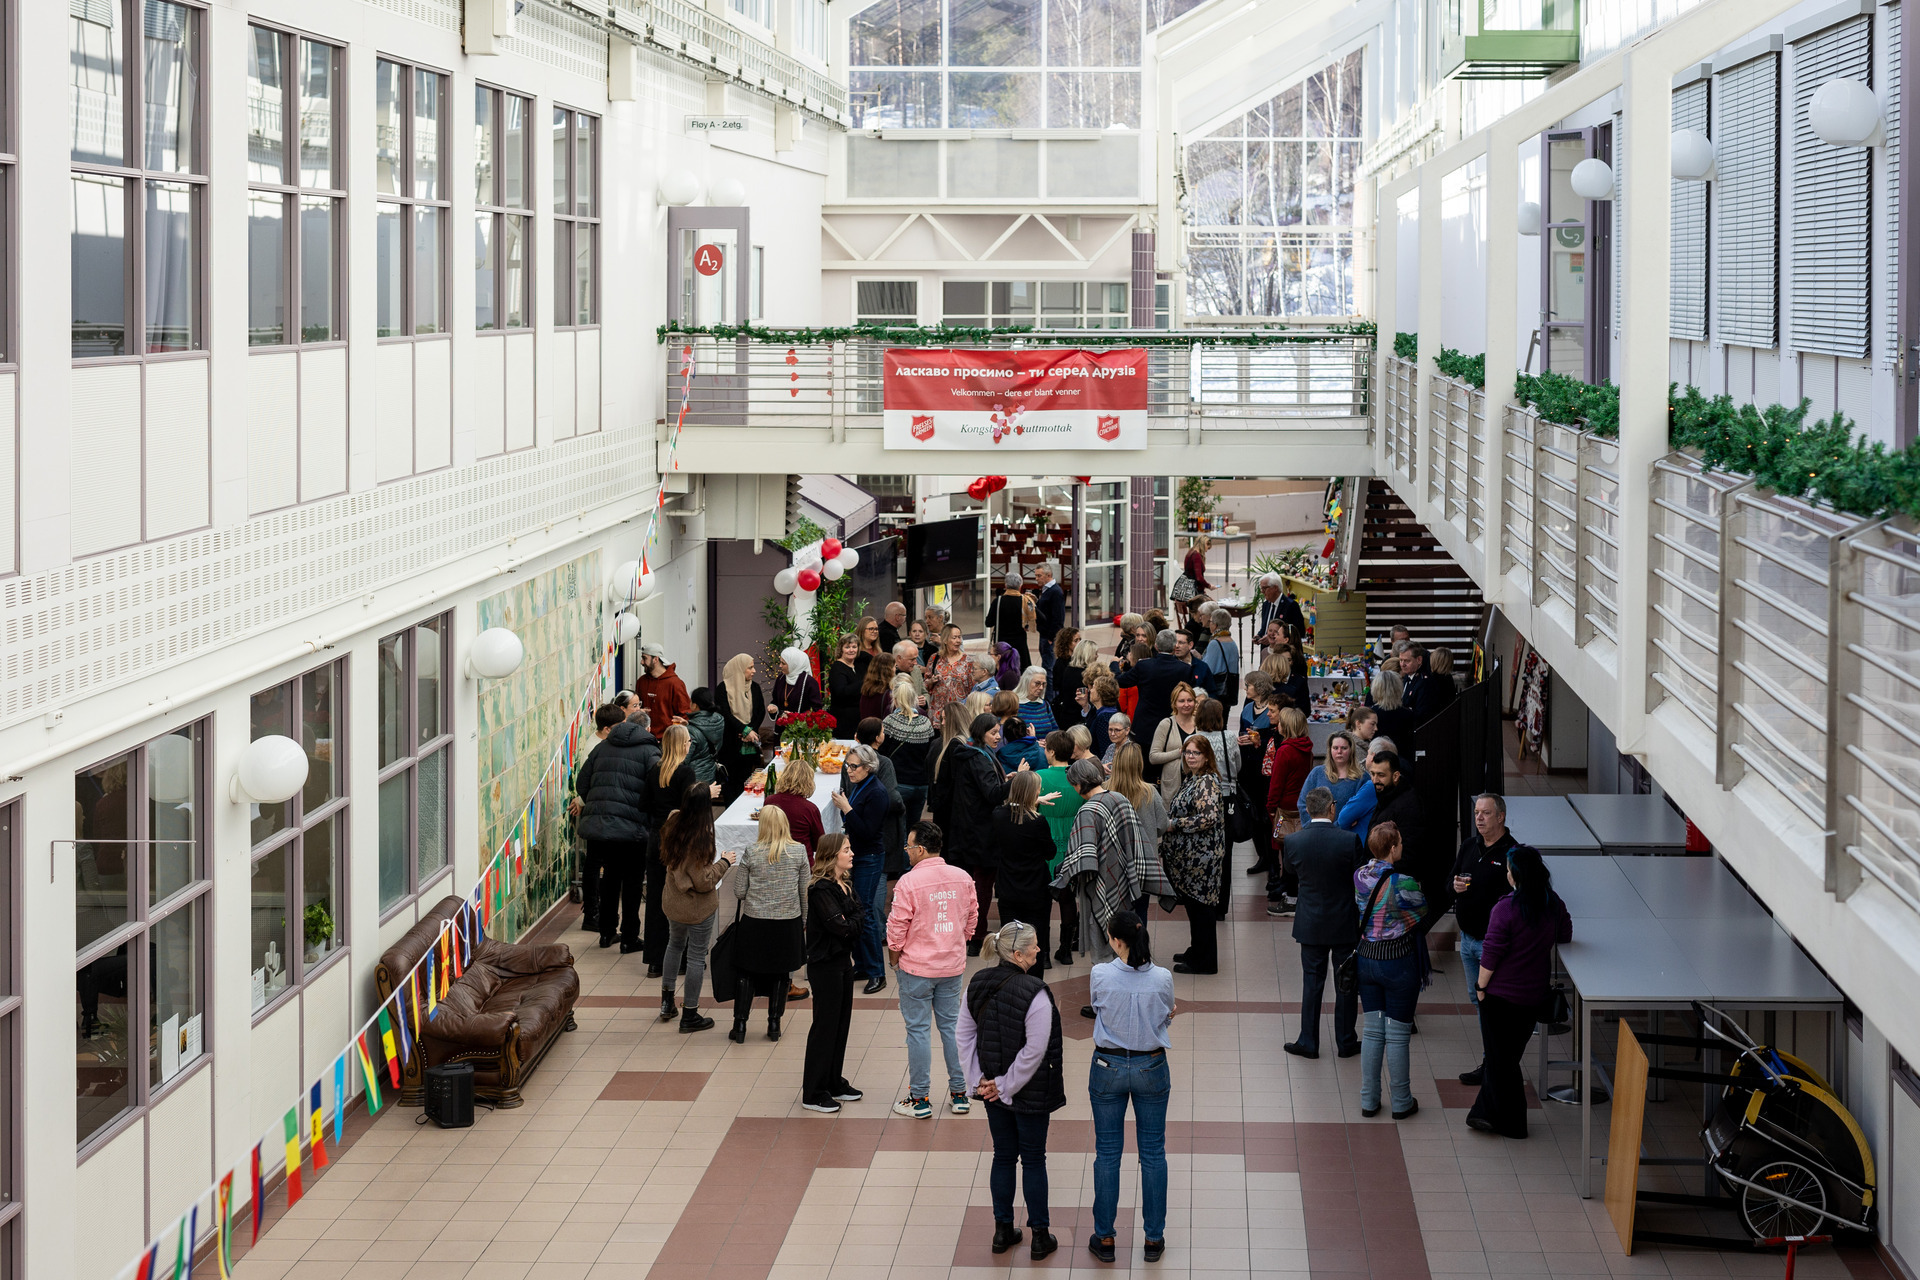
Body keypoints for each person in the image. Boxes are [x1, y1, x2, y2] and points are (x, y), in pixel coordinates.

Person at [959, 920, 1064, 1262]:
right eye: (1033, 946)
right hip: (1028, 1092)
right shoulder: (1036, 992)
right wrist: (1005, 1086)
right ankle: (1040, 1236)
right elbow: (1035, 1050)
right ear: (1018, 954)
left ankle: (1002, 1230)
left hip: (991, 1091)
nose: (1038, 949)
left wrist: (980, 1082)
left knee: (1003, 1155)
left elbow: (964, 1035)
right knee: (1033, 1158)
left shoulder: (975, 983)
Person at [1086, 910, 1175, 1265]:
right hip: (1151, 1065)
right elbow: (1167, 1011)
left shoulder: (1100, 974)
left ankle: (1105, 1237)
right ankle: (1153, 1239)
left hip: (1107, 1066)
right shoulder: (1163, 977)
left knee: (1107, 1154)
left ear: (1117, 941)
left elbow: (1097, 1007)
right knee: (1153, 1154)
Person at [1467, 845, 1572, 1138]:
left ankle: (1513, 1125)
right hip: (1532, 997)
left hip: (1500, 997)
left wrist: (1480, 987)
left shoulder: (1505, 908)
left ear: (1516, 874)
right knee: (1505, 1058)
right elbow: (1565, 933)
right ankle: (1483, 1114)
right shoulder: (1553, 904)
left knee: (1503, 1062)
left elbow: (1491, 953)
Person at [888, 821, 979, 1119]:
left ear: (921, 849)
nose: (907, 852)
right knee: (951, 1029)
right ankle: (959, 1094)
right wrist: (958, 942)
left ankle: (920, 1099)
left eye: (909, 847)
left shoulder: (908, 883)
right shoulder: (963, 877)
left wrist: (894, 957)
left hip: (916, 968)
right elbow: (972, 917)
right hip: (951, 968)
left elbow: (897, 925)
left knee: (918, 1032)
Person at [1054, 757, 1172, 967]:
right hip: (1127, 878)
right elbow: (1136, 840)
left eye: (1073, 785)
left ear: (1079, 784)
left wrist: (1064, 875)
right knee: (1128, 932)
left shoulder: (1088, 811)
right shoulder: (1120, 799)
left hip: (1101, 882)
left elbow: (1085, 858)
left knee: (1104, 936)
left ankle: (1110, 986)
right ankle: (1132, 971)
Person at [1281, 787, 1366, 1059]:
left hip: (1311, 923)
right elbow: (1359, 878)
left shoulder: (1294, 842)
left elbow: (1290, 875)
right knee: (1346, 983)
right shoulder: (1349, 840)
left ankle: (1308, 1041)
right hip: (1343, 922)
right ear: (1332, 809)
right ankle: (1346, 1041)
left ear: (1307, 809)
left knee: (1312, 982)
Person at [1354, 821, 1427, 1119]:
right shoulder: (1403, 881)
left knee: (1372, 1032)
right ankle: (1401, 1101)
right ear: (1393, 848)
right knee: (1397, 1035)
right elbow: (1421, 909)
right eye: (1399, 843)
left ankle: (1369, 1100)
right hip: (1398, 962)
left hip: (1366, 960)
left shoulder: (1359, 876)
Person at [574, 704, 660, 952]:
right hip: (633, 829)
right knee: (632, 883)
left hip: (601, 827)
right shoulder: (649, 751)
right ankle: (629, 937)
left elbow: (582, 783)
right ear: (646, 728)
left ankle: (606, 933)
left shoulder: (602, 747)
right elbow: (656, 786)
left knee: (609, 879)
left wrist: (599, 804)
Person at [722, 805, 810, 1044]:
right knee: (782, 973)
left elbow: (739, 891)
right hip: (787, 921)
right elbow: (805, 893)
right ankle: (774, 1024)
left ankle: (739, 1025)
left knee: (746, 972)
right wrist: (803, 921)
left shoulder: (751, 851)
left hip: (755, 922)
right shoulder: (799, 852)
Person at [658, 781, 737, 1032]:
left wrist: (702, 792)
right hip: (696, 909)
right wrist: (724, 862)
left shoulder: (673, 819)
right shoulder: (699, 839)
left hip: (673, 902)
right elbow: (704, 882)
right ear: (705, 808)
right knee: (695, 957)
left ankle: (667, 1002)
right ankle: (689, 1014)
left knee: (674, 945)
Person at [932, 714, 1014, 954]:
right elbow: (991, 794)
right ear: (981, 733)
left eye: (999, 732)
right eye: (993, 733)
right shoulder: (979, 758)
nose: (998, 737)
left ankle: (968, 931)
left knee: (972, 884)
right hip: (982, 832)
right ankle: (977, 935)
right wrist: (1014, 781)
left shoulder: (970, 753)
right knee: (982, 885)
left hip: (967, 828)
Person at [801, 834, 866, 1113]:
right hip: (824, 965)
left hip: (842, 961)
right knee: (825, 1027)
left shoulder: (845, 884)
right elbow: (844, 928)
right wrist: (852, 922)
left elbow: (859, 917)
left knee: (841, 1025)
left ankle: (833, 1081)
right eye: (846, 850)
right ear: (831, 855)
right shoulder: (821, 890)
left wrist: (851, 922)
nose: (852, 854)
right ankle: (813, 1092)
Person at [645, 725, 715, 976]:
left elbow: (645, 805)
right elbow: (691, 809)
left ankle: (655, 961)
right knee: (683, 896)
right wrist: (708, 793)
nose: (690, 746)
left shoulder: (655, 771)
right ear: (682, 745)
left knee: (656, 899)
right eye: (687, 742)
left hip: (656, 838)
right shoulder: (685, 772)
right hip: (679, 841)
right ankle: (683, 957)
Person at [1160, 736, 1226, 974]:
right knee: (1195, 909)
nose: (1190, 756)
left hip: (1202, 859)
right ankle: (1197, 950)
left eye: (1196, 753)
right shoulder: (1193, 778)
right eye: (1187, 752)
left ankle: (1205, 961)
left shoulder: (1207, 781)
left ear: (1206, 756)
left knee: (1202, 910)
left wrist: (1173, 824)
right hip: (1192, 858)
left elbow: (1207, 819)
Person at [830, 741, 891, 994]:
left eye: (853, 767)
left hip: (869, 856)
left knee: (864, 913)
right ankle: (864, 965)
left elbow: (867, 832)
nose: (849, 771)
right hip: (858, 855)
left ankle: (878, 972)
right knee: (854, 909)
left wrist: (847, 809)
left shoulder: (876, 792)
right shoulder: (859, 785)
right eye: (847, 766)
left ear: (868, 767)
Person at [1452, 794, 1518, 1023]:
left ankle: (1496, 1057)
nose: (1479, 818)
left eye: (1486, 813)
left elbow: (1518, 899)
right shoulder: (1469, 845)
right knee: (1476, 998)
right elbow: (1449, 882)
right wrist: (1454, 886)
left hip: (1493, 943)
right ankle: (1491, 1055)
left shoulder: (1512, 853)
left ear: (1501, 817)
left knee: (1494, 1001)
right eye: (1476, 813)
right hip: (1467, 940)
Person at [991, 772, 1062, 969]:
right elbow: (1050, 852)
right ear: (1033, 792)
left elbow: (1010, 808)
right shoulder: (1037, 821)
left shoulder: (998, 815)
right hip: (1035, 888)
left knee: (1010, 939)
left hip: (1007, 886)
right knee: (1035, 938)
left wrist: (1032, 800)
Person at [1035, 731, 1086, 967]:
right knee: (1067, 900)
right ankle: (1065, 950)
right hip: (1071, 848)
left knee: (1042, 903)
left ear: (1052, 751)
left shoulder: (1038, 777)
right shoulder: (1080, 778)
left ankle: (1042, 954)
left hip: (1043, 848)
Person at [573, 703, 624, 930]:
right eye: (619, 726)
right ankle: (592, 913)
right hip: (598, 812)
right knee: (595, 864)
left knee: (598, 862)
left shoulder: (604, 744)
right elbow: (585, 783)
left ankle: (596, 913)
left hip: (600, 810)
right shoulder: (594, 749)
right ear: (606, 729)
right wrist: (584, 801)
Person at [1262, 708, 1316, 911]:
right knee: (1297, 853)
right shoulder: (1307, 749)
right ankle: (1295, 893)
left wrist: (1271, 808)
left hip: (1284, 809)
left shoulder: (1285, 751)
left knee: (1286, 854)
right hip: (1301, 807)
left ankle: (1291, 898)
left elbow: (1276, 784)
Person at [1115, 630, 1191, 750]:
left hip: (1145, 726)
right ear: (1175, 646)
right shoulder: (1185, 669)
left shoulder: (1144, 666)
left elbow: (1121, 681)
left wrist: (1116, 665)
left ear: (1156, 646)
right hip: (1172, 725)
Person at [1236, 672, 1280, 877]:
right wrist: (1242, 740)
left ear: (1260, 687)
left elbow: (1276, 740)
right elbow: (1241, 732)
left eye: (1249, 685)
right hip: (1248, 767)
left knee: (1265, 815)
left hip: (1266, 769)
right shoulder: (1247, 707)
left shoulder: (1272, 711)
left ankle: (1272, 859)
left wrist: (1258, 742)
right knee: (1252, 813)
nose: (1246, 688)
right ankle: (1261, 856)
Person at [717, 654, 767, 804]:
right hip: (730, 745)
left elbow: (760, 712)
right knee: (731, 786)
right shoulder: (723, 688)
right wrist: (744, 730)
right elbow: (724, 713)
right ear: (739, 669)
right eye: (750, 667)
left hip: (749, 745)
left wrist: (751, 731)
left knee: (747, 784)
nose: (754, 671)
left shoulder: (755, 687)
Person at [1147, 682, 1201, 802]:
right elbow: (1153, 756)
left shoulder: (1200, 724)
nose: (1186, 704)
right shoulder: (1166, 724)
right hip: (1172, 787)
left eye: (1190, 700)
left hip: (1198, 786)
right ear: (1174, 703)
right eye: (1181, 701)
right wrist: (1180, 752)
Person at [765, 757, 826, 855]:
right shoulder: (809, 808)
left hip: (774, 856)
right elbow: (819, 843)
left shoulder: (769, 801)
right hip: (802, 861)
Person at [633, 642, 693, 730]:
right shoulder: (641, 681)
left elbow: (685, 715)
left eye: (644, 658)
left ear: (655, 659)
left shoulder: (675, 684)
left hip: (666, 739)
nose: (641, 662)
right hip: (644, 737)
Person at [986, 570, 1034, 674]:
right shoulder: (1026, 601)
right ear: (1020, 586)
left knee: (1002, 673)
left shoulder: (998, 601)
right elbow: (1039, 617)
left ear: (1005, 585)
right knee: (1021, 674)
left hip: (1002, 645)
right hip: (1020, 645)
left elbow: (988, 623)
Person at [685, 687, 727, 786]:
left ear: (694, 705)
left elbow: (684, 758)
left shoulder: (692, 730)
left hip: (693, 778)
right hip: (710, 774)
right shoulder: (719, 720)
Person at [770, 646, 823, 725]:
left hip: (801, 730)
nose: (780, 666)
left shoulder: (809, 682)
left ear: (793, 664)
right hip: (782, 729)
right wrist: (773, 707)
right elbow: (775, 701)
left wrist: (796, 717)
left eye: (783, 663)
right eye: (780, 662)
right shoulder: (781, 679)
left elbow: (816, 710)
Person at [826, 632, 864, 739]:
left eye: (854, 647)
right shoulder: (837, 667)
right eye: (847, 647)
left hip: (858, 719)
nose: (851, 650)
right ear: (841, 649)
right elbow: (841, 692)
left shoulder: (858, 666)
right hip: (844, 721)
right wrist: (864, 683)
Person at [1031, 563, 1066, 676]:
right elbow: (1046, 610)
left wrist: (1051, 637)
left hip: (1049, 637)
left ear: (1048, 575)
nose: (1037, 579)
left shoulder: (1055, 592)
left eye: (1039, 576)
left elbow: (1058, 618)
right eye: (1036, 576)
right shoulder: (1046, 589)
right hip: (1045, 634)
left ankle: (1050, 694)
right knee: (1047, 666)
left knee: (1049, 669)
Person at [1201, 609, 1240, 705]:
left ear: (1215, 625)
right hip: (1229, 689)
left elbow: (1208, 668)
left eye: (1210, 621)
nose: (1209, 624)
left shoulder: (1215, 643)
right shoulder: (1232, 642)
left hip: (1218, 689)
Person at [1173, 534, 1212, 625]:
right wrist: (1209, 586)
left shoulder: (1190, 552)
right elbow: (1198, 577)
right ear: (1204, 544)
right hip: (1194, 592)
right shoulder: (1196, 556)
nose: (1206, 550)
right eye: (1207, 547)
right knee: (1212, 607)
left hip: (1187, 588)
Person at [1016, 667, 1057, 736]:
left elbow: (1055, 730)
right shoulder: (1014, 704)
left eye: (1043, 684)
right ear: (1026, 682)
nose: (1041, 688)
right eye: (1037, 683)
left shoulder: (1044, 705)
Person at [859, 650, 896, 724]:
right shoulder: (888, 695)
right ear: (889, 670)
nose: (895, 670)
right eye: (894, 667)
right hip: (881, 733)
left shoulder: (866, 690)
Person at [1085, 673, 1121, 744]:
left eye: (1093, 687)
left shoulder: (1104, 718)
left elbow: (1105, 749)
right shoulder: (1103, 712)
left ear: (1100, 694)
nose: (1090, 691)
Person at [890, 639, 926, 706]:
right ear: (899, 658)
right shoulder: (888, 674)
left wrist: (924, 701)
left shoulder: (916, 670)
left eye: (916, 658)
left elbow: (924, 692)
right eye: (912, 659)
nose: (915, 663)